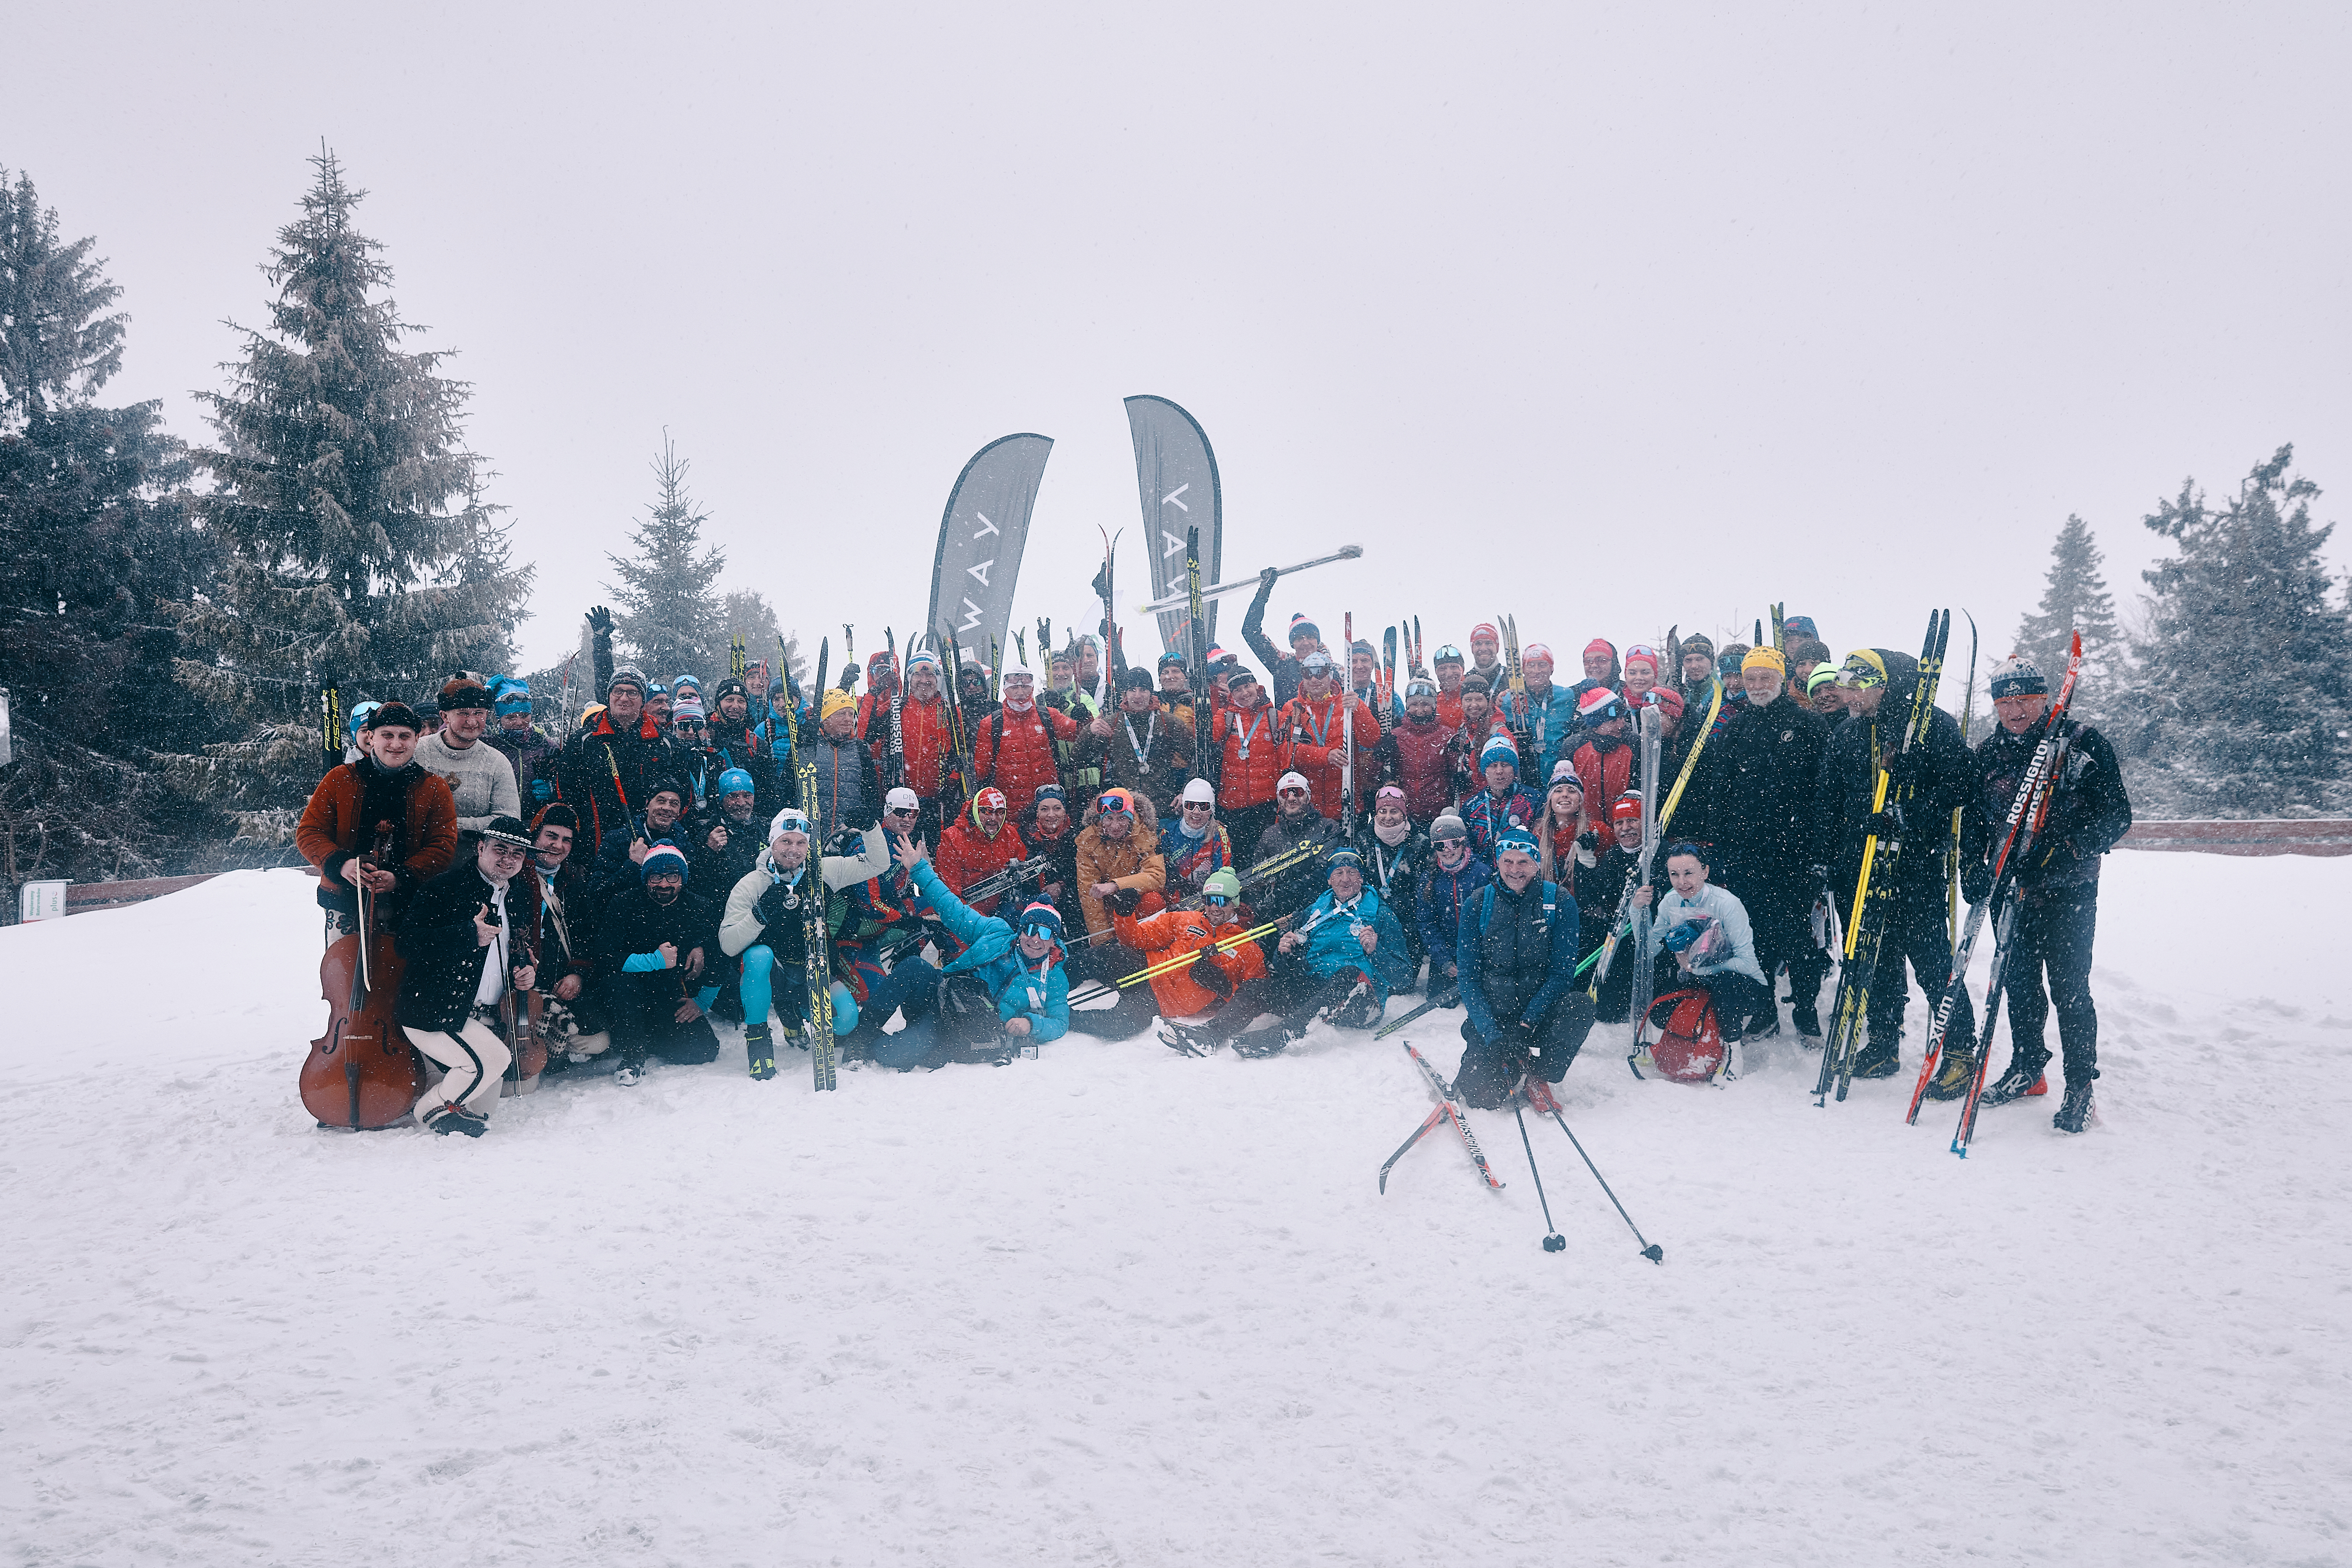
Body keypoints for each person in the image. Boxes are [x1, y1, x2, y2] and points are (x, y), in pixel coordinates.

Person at [1958, 654, 2133, 1132]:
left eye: (2024, 700)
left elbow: (2117, 814)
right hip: (2010, 891)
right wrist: (1971, 867)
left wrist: (2070, 847)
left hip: (2068, 890)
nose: (2015, 711)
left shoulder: (2080, 744)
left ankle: (2080, 1086)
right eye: (2005, 702)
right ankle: (2028, 1068)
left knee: (2070, 988)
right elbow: (1973, 823)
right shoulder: (1987, 754)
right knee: (2019, 984)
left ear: (2043, 698)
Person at [1815, 644, 1976, 1079]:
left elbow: (1963, 783)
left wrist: (1912, 813)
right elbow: (1829, 800)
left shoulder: (1930, 726)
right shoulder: (1847, 734)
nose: (1848, 697)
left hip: (1915, 866)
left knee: (1931, 963)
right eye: (1845, 688)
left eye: (1857, 688)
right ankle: (1884, 1043)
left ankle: (1961, 1049)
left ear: (1884, 686)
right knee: (1875, 959)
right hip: (1860, 865)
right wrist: (1826, 857)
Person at [1697, 647, 1833, 1039]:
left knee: (1798, 938)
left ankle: (1806, 1010)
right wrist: (1718, 848)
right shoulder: (1737, 728)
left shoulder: (1807, 724)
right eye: (1751, 678)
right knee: (1753, 937)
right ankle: (1765, 1008)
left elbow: (1826, 793)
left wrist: (1820, 851)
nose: (1757, 686)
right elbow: (1719, 791)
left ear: (1780, 679)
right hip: (1746, 854)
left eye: (1765, 678)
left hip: (1795, 854)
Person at [393, 816, 542, 1135]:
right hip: (435, 1010)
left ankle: (447, 1096)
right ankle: (430, 1108)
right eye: (500, 849)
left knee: (482, 1111)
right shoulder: (443, 888)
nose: (508, 859)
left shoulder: (515, 896)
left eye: (517, 854)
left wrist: (522, 970)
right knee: (494, 1060)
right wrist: (467, 935)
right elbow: (406, 943)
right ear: (479, 847)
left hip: (485, 1018)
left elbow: (513, 947)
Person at [888, 838, 1071, 1068]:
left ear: (1054, 940)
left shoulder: (1054, 977)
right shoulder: (997, 934)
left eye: (1045, 934)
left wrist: (1030, 1023)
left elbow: (1059, 1022)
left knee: (900, 1054)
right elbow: (951, 908)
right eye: (1031, 930)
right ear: (1021, 930)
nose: (1035, 939)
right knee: (914, 966)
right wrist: (919, 869)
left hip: (971, 1025)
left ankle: (888, 1043)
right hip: (945, 998)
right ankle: (861, 1037)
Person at [1452, 827, 1597, 1108]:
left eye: (1523, 862)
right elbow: (1468, 979)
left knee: (1579, 1006)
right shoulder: (1478, 903)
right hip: (1496, 1014)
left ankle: (1538, 1073)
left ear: (1536, 863)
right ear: (1497, 861)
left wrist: (1527, 1024)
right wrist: (1492, 1035)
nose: (1515, 870)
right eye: (1508, 861)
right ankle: (1506, 1062)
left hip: (1539, 1013)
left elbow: (1561, 974)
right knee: (1482, 1098)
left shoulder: (1559, 901)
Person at [296, 701, 460, 942]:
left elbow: (443, 845)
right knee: (344, 970)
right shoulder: (340, 778)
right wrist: (342, 864)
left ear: (416, 740)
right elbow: (310, 832)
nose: (396, 744)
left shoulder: (434, 788)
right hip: (345, 900)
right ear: (372, 737)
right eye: (387, 735)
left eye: (405, 736)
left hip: (412, 902)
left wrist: (402, 876)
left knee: (403, 975)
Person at [1229, 848, 1412, 1055]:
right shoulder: (1314, 912)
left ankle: (1279, 1037)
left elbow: (1403, 978)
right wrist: (1284, 954)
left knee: (1348, 973)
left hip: (1361, 1005)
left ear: (1361, 878)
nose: (1345, 880)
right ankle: (1211, 1033)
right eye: (1338, 873)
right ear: (1329, 880)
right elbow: (1288, 968)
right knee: (1256, 987)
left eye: (1352, 872)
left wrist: (1375, 951)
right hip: (1317, 996)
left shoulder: (1381, 915)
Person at [718, 808, 855, 1079]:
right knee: (758, 955)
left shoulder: (821, 874)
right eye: (785, 841)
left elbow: (877, 865)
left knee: (847, 1020)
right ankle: (758, 1040)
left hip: (813, 966)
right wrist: (760, 915)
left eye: (801, 842)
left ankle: (791, 1012)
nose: (793, 849)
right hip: (774, 972)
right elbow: (728, 945)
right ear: (772, 843)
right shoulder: (752, 884)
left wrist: (871, 828)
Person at [592, 840, 721, 1084]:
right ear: (646, 878)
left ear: (682, 879)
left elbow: (722, 955)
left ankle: (642, 1036)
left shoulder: (700, 906)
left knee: (703, 1049)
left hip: (667, 993)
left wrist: (702, 1001)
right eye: (656, 877)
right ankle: (632, 1054)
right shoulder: (624, 903)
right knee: (618, 982)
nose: (664, 884)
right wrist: (653, 961)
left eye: (672, 877)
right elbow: (604, 957)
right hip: (626, 994)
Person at [1626, 840, 1774, 1047]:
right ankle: (1698, 1040)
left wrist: (1695, 968)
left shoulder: (1727, 903)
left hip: (1742, 984)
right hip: (1700, 981)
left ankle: (1732, 1051)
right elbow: (1649, 950)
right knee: (1660, 1013)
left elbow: (1747, 963)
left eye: (1689, 873)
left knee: (1726, 987)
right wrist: (1636, 910)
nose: (1681, 882)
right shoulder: (1670, 902)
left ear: (1705, 872)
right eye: (1674, 874)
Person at [523, 803, 613, 1071]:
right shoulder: (514, 874)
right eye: (551, 836)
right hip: (515, 985)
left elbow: (588, 934)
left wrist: (577, 975)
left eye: (566, 840)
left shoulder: (573, 880)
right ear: (535, 836)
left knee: (599, 1041)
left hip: (558, 980)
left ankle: (548, 1045)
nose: (558, 846)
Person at [1149, 868, 1279, 1054]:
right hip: (1162, 988)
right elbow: (1145, 937)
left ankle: (1208, 1035)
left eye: (1221, 901)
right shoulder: (1192, 921)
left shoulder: (1249, 945)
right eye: (1209, 901)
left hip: (1200, 1005)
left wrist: (1224, 987)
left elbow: (1256, 995)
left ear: (1234, 903)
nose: (1214, 907)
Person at [556, 667, 680, 855]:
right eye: (618, 691)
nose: (624, 698)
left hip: (651, 847)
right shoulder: (585, 740)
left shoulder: (663, 742)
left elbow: (680, 795)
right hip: (593, 846)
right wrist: (578, 850)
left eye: (632, 692)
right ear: (609, 696)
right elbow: (566, 795)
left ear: (642, 700)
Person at [415, 676, 523, 846]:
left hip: (473, 866)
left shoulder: (497, 763)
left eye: (478, 713)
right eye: (463, 713)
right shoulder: (417, 752)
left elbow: (508, 821)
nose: (472, 722)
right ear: (445, 716)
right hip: (419, 861)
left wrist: (447, 826)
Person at [1275, 651, 1377, 826]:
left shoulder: (1347, 704)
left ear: (1330, 675)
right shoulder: (1293, 708)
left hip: (1346, 804)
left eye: (1320, 672)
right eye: (1308, 674)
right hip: (1307, 808)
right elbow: (1287, 751)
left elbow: (1371, 740)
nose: (1314, 679)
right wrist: (1324, 756)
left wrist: (1360, 709)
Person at [1073, 786, 1167, 956]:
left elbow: (1157, 876)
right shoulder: (1087, 842)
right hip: (1109, 910)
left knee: (1153, 900)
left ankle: (1151, 945)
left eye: (1122, 819)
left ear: (1131, 819)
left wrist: (1115, 886)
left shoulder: (1144, 835)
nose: (1115, 826)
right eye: (1109, 819)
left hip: (1135, 905)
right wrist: (1104, 941)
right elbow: (1090, 897)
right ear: (1101, 818)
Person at [974, 667, 1078, 806]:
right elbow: (981, 770)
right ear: (1005, 690)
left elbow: (1078, 734)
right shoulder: (992, 723)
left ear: (1032, 688)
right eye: (1014, 688)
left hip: (1046, 806)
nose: (1021, 693)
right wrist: (961, 769)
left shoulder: (1048, 715)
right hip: (1011, 807)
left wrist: (1085, 719)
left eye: (1025, 687)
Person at [1087, 667, 1192, 801]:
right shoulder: (1112, 722)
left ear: (1151, 693)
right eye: (1132, 690)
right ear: (1125, 694)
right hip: (1123, 808)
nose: (1138, 696)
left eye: (1143, 690)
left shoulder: (1168, 722)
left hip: (1162, 806)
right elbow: (1081, 758)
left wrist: (1185, 792)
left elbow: (1196, 757)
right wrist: (1089, 730)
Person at [587, 776, 691, 911]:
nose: (667, 808)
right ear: (647, 804)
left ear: (679, 811)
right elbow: (597, 893)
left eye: (674, 804)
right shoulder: (618, 839)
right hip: (628, 920)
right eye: (661, 801)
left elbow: (690, 894)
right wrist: (633, 865)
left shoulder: (685, 846)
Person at [1361, 784, 1428, 988]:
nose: (1388, 817)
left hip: (1408, 921)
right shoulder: (1364, 840)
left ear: (1404, 814)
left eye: (1394, 811)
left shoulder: (1420, 844)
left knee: (1402, 985)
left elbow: (1425, 890)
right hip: (1375, 917)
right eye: (1382, 811)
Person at [1251, 771, 1345, 918]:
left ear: (1308, 796)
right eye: (1284, 793)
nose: (1291, 798)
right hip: (1279, 912)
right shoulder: (1270, 835)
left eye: (1298, 792)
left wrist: (1288, 887)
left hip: (1319, 909)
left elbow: (1323, 874)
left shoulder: (1327, 828)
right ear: (1279, 799)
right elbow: (1258, 877)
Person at [1211, 667, 1285, 851]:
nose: (1244, 693)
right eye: (1237, 690)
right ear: (1231, 694)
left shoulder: (1274, 716)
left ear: (1256, 686)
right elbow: (1208, 735)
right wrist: (1211, 694)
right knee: (1237, 860)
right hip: (1233, 808)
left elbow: (1291, 751)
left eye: (1247, 686)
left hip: (1267, 806)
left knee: (1267, 859)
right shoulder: (1226, 716)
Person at [1416, 813, 1492, 990]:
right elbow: (1426, 922)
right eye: (1440, 845)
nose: (1447, 850)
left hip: (1478, 953)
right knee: (1442, 1004)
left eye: (1454, 843)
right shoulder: (1429, 878)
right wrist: (1443, 959)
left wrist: (1476, 956)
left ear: (1464, 842)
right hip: (1446, 953)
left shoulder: (1482, 873)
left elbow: (1491, 921)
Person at [1373, 678, 1459, 827]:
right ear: (1407, 706)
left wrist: (1460, 777)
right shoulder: (1397, 735)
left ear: (1434, 706)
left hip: (1438, 811)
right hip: (1405, 813)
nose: (1420, 710)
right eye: (1414, 705)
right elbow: (1374, 775)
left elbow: (1456, 771)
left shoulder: (1447, 735)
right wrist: (1379, 756)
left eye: (1425, 704)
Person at [935, 786, 1030, 916]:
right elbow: (950, 895)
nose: (994, 818)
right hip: (965, 914)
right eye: (987, 811)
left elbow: (1025, 873)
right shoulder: (952, 838)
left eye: (1000, 812)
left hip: (1003, 907)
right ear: (975, 811)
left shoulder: (1010, 835)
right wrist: (983, 922)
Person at [803, 687, 880, 841]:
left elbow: (871, 794)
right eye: (841, 714)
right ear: (826, 718)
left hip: (849, 836)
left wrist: (866, 820)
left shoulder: (860, 748)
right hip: (812, 835)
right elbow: (789, 789)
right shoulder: (810, 744)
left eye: (851, 714)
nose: (848, 719)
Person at [1240, 569, 1325, 708]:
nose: (1305, 643)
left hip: (1327, 729)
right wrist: (1263, 593)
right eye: (1299, 639)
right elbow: (1250, 631)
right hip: (1289, 729)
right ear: (1293, 644)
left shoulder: (1331, 669)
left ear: (1318, 641)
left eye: (1310, 637)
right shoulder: (1282, 664)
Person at [1569, 692, 1639, 852]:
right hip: (1588, 832)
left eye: (1622, 717)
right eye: (1614, 720)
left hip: (1626, 831)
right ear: (1595, 725)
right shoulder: (1574, 747)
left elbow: (1639, 790)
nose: (1621, 724)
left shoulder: (1633, 744)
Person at [1495, 643, 1578, 776]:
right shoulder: (1507, 700)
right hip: (1523, 775)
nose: (1536, 671)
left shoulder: (1568, 696)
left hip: (1558, 775)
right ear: (1523, 669)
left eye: (1543, 665)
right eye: (1531, 665)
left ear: (1552, 669)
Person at [1015, 783, 1084, 937]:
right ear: (1037, 813)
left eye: (1057, 808)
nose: (1051, 814)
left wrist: (1061, 886)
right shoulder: (1023, 836)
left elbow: (1082, 874)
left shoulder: (1078, 837)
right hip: (1033, 901)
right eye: (1044, 809)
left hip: (1070, 900)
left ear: (1065, 811)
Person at [1459, 734, 1541, 861]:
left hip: (1522, 870)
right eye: (1493, 765)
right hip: (1484, 875)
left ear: (1514, 770)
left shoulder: (1534, 800)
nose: (1499, 771)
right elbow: (1465, 849)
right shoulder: (1471, 807)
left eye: (1505, 764)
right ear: (1484, 771)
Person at [485, 677, 560, 807]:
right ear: (498, 718)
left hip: (536, 821)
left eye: (524, 716)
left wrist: (553, 789)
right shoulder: (488, 745)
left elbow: (569, 785)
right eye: (511, 717)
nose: (519, 722)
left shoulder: (547, 747)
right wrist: (480, 701)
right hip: (497, 820)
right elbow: (453, 735)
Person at [1164, 775, 1237, 894]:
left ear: (1211, 809)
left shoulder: (1218, 833)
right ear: (1183, 806)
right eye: (1190, 806)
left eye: (1203, 807)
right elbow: (1164, 870)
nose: (1196, 812)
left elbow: (1223, 872)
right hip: (1177, 896)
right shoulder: (1168, 832)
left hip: (1210, 896)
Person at [1534, 763, 1598, 892]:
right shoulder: (1538, 834)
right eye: (1558, 791)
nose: (1565, 795)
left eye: (1571, 791)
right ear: (1550, 800)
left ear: (1580, 799)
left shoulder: (1597, 830)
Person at [1430, 645, 1469, 729]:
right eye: (1442, 669)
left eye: (1454, 667)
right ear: (1436, 672)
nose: (1449, 673)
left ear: (1462, 669)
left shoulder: (1475, 696)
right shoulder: (1433, 702)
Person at [1466, 622, 1505, 693]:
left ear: (1496, 647)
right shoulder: (1466, 680)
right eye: (1478, 643)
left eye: (1489, 643)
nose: (1483, 649)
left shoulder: (1510, 677)